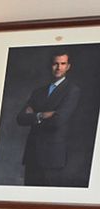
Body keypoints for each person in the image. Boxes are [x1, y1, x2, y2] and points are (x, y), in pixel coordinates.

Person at [18, 51, 80, 186]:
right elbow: (21, 118)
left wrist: (34, 116)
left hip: (52, 156)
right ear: (50, 66)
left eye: (62, 64)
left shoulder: (72, 91)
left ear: (68, 66)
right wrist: (42, 115)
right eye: (55, 64)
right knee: (28, 198)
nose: (58, 67)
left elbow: (58, 121)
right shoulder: (38, 91)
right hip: (32, 153)